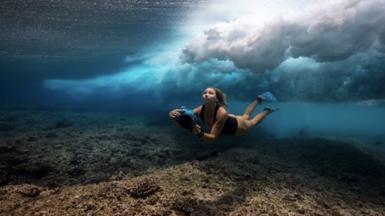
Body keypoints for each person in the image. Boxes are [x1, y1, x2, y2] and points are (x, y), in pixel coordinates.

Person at [169, 87, 278, 142]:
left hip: (240, 127)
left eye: (210, 93)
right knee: (245, 115)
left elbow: (213, 137)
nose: (206, 94)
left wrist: (200, 134)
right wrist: (173, 115)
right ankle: (259, 99)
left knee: (253, 121)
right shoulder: (199, 109)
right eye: (204, 92)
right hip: (231, 119)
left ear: (216, 98)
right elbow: (184, 122)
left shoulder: (222, 113)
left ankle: (267, 110)